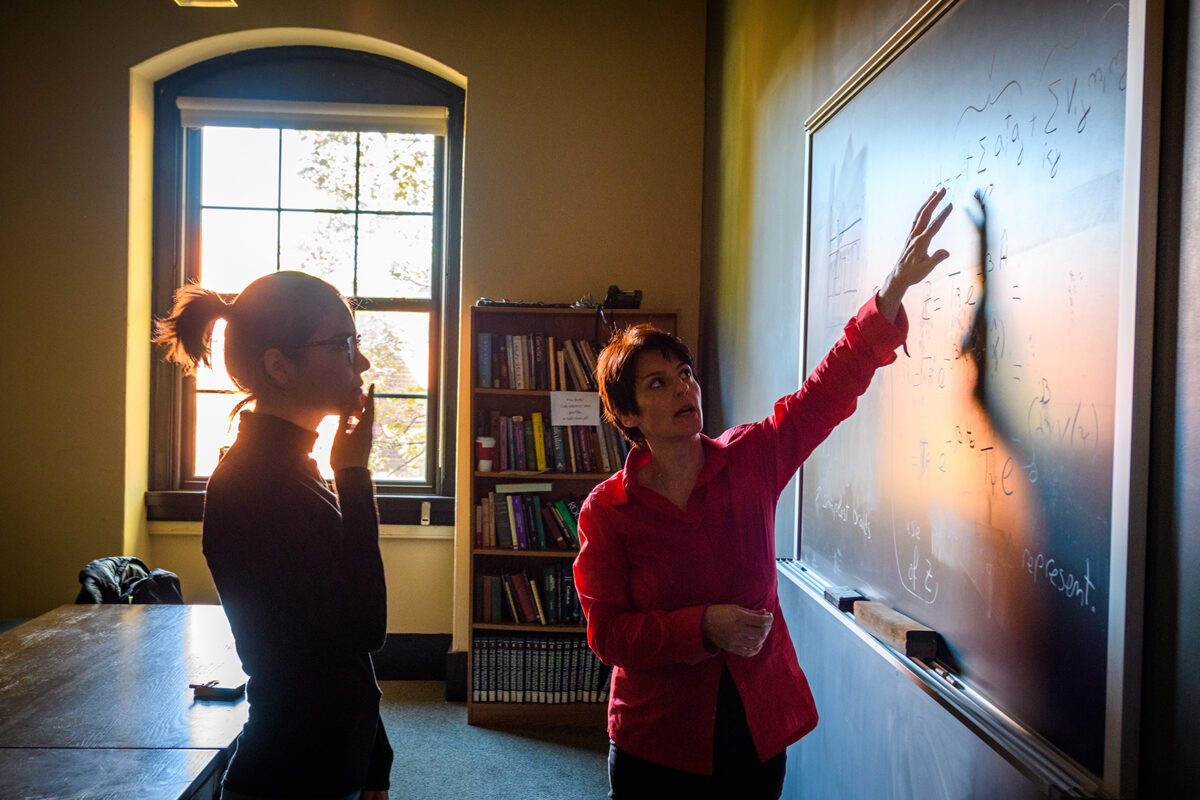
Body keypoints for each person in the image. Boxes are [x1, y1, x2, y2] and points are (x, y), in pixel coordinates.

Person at [574, 190, 953, 799]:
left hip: (754, 728)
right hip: (656, 740)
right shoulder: (608, 512)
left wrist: (889, 295)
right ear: (628, 414)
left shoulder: (749, 459)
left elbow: (824, 394)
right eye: (658, 383)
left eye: (686, 375)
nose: (683, 389)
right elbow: (610, 636)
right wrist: (704, 626)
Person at [153, 270, 392, 800]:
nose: (363, 362)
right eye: (342, 344)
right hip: (292, 774)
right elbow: (364, 627)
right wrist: (353, 475)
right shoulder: (256, 484)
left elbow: (337, 654)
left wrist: (374, 759)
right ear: (278, 365)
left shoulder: (292, 467)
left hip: (325, 761)